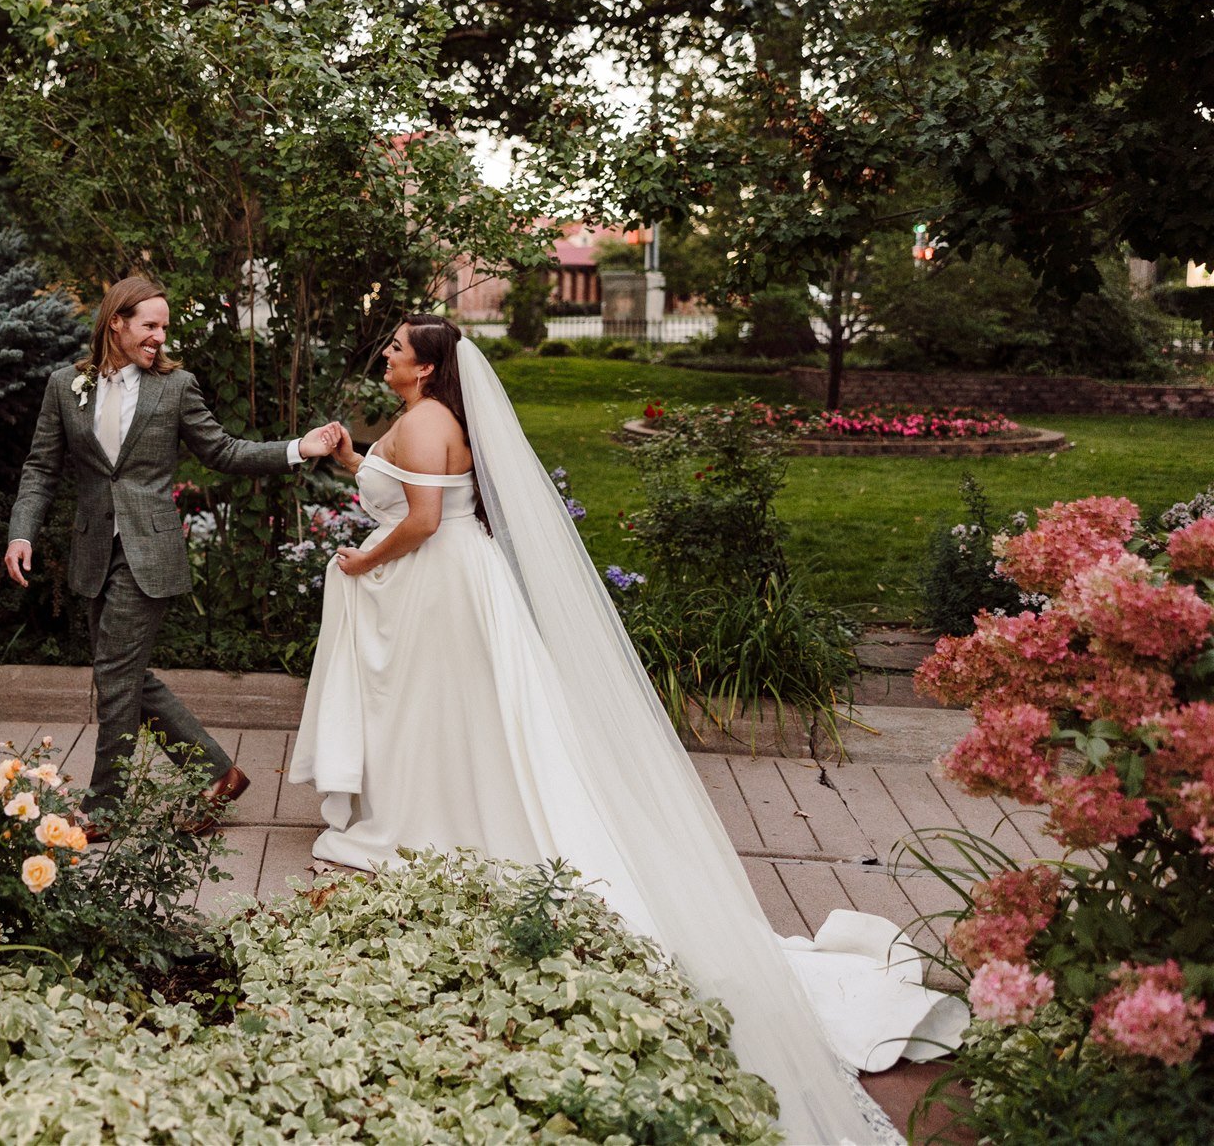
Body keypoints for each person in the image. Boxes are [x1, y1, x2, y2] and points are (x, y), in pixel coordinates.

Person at [289, 314, 962, 1146]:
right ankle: (440, 804)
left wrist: (358, 561)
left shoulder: (428, 419)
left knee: (454, 713)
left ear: (426, 369)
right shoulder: (427, 418)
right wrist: (348, 456)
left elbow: (423, 520)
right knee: (458, 715)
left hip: (443, 578)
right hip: (449, 579)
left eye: (397, 346)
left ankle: (444, 819)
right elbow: (398, 483)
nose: (385, 352)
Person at [5, 275, 342, 839]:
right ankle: (218, 773)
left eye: (164, 326)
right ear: (117, 322)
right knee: (124, 675)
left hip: (150, 551)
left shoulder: (175, 387)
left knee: (115, 674)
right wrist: (22, 532)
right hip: (93, 550)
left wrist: (296, 449)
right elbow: (41, 468)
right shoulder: (66, 386)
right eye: (150, 325)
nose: (160, 336)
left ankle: (104, 809)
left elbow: (223, 450)